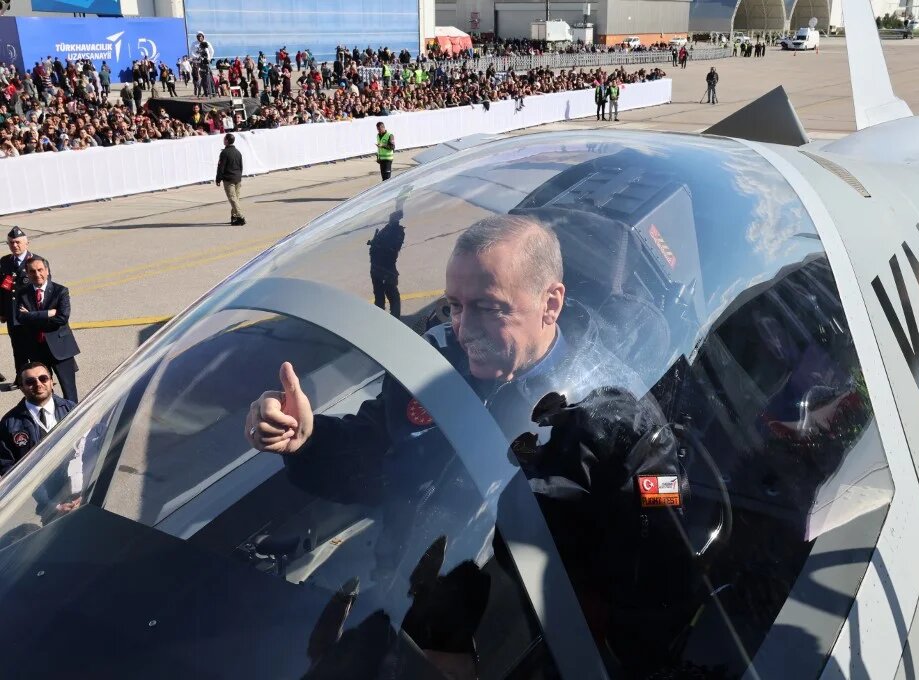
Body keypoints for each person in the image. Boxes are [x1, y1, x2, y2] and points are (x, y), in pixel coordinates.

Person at [245, 214, 693, 677]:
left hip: (517, 639)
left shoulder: (617, 420)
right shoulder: (434, 365)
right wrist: (308, 438)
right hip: (402, 602)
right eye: (455, 305)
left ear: (551, 303)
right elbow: (377, 450)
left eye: (488, 307)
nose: (463, 328)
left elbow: (657, 562)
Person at [14, 256, 80, 403]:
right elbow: (20, 318)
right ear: (27, 273)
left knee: (69, 390)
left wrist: (31, 316)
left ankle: (73, 419)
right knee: (42, 390)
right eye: (32, 271)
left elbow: (62, 319)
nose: (37, 274)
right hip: (36, 349)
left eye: (40, 270)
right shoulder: (22, 293)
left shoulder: (60, 291)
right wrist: (47, 314)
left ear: (47, 270)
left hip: (61, 349)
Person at [0, 362, 75, 475]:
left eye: (43, 378)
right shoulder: (9, 423)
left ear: (51, 381)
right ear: (21, 387)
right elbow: (5, 464)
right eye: (30, 381)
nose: (38, 384)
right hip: (33, 489)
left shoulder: (72, 410)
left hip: (75, 480)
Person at [0, 227, 42, 374]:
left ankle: (41, 376)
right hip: (12, 315)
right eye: (11, 243)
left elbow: (44, 289)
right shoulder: (5, 261)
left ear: (27, 243)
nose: (14, 246)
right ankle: (21, 378)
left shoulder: (37, 261)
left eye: (18, 242)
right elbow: (2, 289)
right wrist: (2, 312)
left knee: (36, 348)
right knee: (18, 350)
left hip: (30, 314)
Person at [367, 210, 405, 317]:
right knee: (383, 297)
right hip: (379, 268)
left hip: (385, 269)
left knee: (391, 296)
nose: (390, 218)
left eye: (392, 217)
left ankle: (392, 319)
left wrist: (377, 245)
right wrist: (374, 243)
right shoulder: (389, 230)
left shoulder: (396, 232)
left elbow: (392, 249)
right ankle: (385, 319)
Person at [216, 133, 246, 225]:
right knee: (235, 198)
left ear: (227, 141)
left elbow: (221, 167)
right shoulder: (238, 152)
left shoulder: (224, 153)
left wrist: (218, 179)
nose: (223, 140)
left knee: (233, 198)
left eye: (224, 139)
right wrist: (239, 176)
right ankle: (234, 217)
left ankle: (240, 216)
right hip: (237, 178)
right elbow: (241, 166)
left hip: (229, 179)